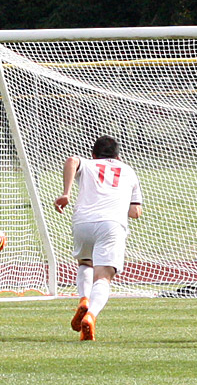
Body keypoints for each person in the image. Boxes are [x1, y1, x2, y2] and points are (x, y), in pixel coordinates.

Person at [54, 135, 143, 341]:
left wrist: (66, 194)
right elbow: (135, 212)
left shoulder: (88, 164)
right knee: (103, 277)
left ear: (93, 155)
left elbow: (71, 160)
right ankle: (91, 315)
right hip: (111, 224)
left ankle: (84, 299)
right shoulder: (128, 171)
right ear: (118, 156)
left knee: (86, 263)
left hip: (83, 222)